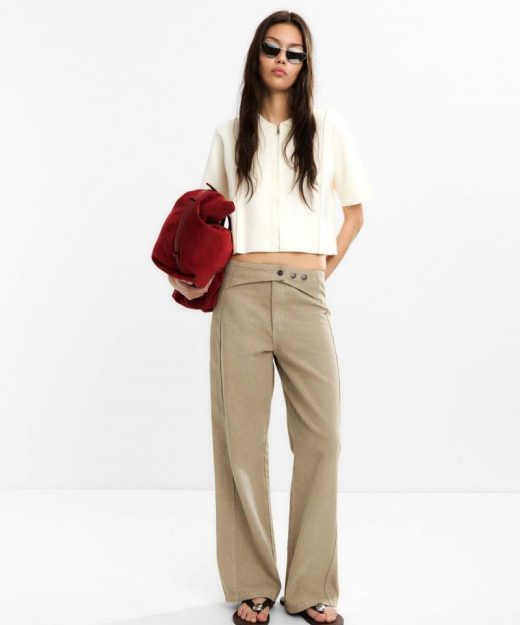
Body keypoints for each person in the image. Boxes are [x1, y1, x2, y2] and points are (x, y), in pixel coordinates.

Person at [169, 10, 372, 625]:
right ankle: (253, 583)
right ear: (256, 55)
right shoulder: (230, 134)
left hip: (306, 292)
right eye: (272, 48)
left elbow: (354, 214)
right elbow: (204, 215)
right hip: (243, 294)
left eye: (294, 52)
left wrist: (318, 276)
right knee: (240, 441)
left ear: (305, 65)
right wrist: (189, 272)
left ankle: (310, 587)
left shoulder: (328, 129)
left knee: (322, 438)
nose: (283, 60)